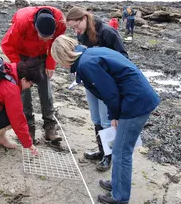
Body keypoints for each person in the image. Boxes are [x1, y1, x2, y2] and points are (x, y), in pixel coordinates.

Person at [51, 35, 160, 204]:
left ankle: (120, 197)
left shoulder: (87, 64)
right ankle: (117, 183)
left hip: (135, 102)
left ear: (63, 56)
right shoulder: (90, 53)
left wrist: (114, 116)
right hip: (136, 97)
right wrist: (114, 114)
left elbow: (110, 93)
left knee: (121, 152)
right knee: (119, 149)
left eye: (58, 61)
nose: (60, 65)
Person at [66, 6, 129, 172]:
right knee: (96, 118)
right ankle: (101, 151)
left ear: (84, 18)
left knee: (107, 120)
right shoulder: (82, 34)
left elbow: (123, 57)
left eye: (76, 26)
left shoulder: (108, 32)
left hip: (106, 84)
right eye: (72, 28)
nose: (75, 30)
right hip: (90, 82)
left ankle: (108, 157)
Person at [1, 6, 66, 145]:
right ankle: (29, 128)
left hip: (42, 56)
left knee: (46, 91)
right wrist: (20, 67)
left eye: (47, 38)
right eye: (41, 36)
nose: (44, 40)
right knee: (24, 93)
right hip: (22, 57)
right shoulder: (22, 22)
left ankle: (50, 128)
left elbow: (56, 43)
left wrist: (50, 63)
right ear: (35, 27)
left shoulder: (60, 21)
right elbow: (6, 45)